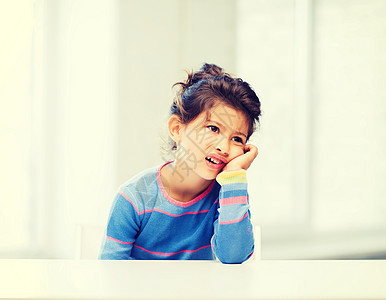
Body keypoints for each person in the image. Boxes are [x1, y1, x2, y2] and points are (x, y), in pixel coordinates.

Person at [99, 63, 261, 263]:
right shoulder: (134, 197)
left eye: (237, 139)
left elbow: (234, 257)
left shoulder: (228, 194)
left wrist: (235, 174)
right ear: (177, 129)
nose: (224, 147)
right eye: (213, 128)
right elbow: (110, 272)